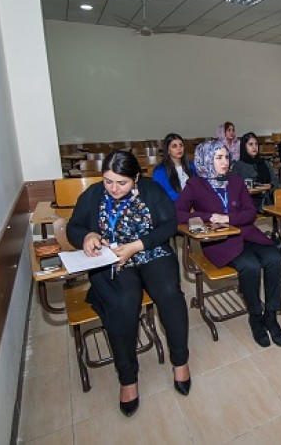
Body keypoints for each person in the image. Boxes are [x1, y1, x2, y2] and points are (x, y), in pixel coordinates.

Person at [67, 150, 190, 418]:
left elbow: (169, 225)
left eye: (122, 182)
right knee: (123, 304)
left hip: (150, 251)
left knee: (169, 293)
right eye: (108, 181)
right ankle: (128, 378)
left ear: (136, 177)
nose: (113, 188)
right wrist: (87, 236)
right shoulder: (93, 195)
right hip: (113, 259)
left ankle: (180, 361)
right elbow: (73, 227)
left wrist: (136, 246)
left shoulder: (151, 190)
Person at [176, 140, 281, 348]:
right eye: (218, 158)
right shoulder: (195, 185)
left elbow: (250, 213)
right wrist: (209, 216)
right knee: (250, 266)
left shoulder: (236, 181)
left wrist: (228, 218)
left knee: (274, 258)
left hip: (247, 233)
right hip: (219, 242)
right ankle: (255, 317)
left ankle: (271, 316)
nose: (224, 162)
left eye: (226, 157)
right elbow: (178, 213)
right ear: (206, 160)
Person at [231, 132, 279, 211]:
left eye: (256, 144)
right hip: (249, 202)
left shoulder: (264, 163)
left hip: (267, 201)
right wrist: (256, 188)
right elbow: (234, 187)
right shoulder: (238, 166)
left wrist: (270, 186)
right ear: (244, 147)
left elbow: (275, 180)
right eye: (250, 144)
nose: (254, 147)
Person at [151, 133, 196, 202]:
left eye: (181, 145)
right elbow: (160, 196)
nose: (179, 148)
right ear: (168, 151)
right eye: (174, 146)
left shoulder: (191, 165)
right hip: (173, 205)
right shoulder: (160, 171)